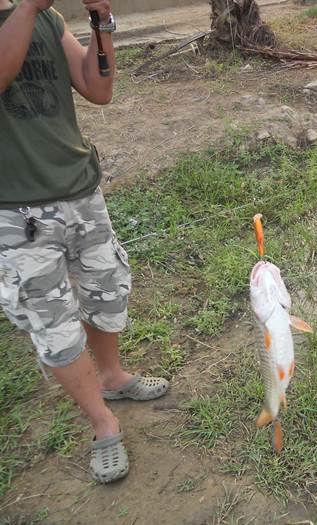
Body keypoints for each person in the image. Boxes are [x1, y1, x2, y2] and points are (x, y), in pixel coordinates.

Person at [0, 0, 169, 484]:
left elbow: (99, 89)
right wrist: (30, 8)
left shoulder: (49, 21)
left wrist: (101, 23)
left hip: (80, 188)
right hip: (16, 209)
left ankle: (113, 376)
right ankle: (102, 421)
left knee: (106, 287)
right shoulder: (32, 13)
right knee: (53, 322)